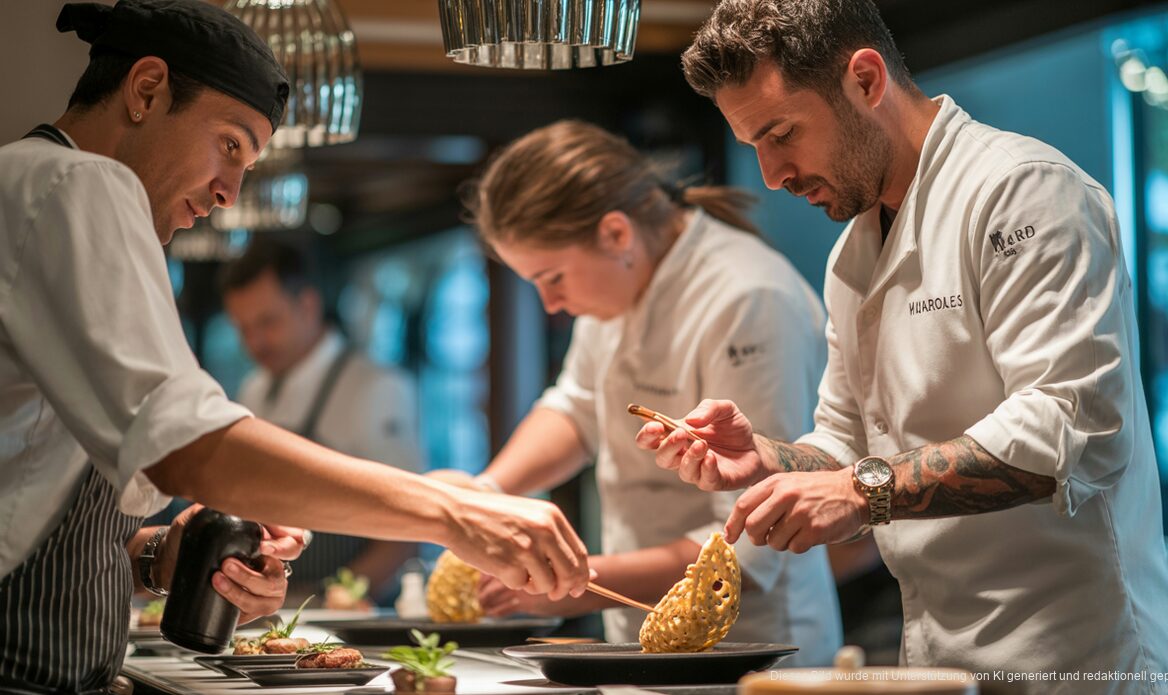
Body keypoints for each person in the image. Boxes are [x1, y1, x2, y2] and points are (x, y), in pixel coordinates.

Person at [0, 2, 589, 691]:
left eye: (247, 166)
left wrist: (164, 555)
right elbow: (191, 449)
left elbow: (32, 507)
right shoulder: (72, 182)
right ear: (147, 89)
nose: (229, 193)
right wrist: (453, 512)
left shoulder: (37, 192)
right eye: (229, 145)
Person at [637, 0, 1168, 692]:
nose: (773, 174)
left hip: (1080, 659)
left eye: (781, 134)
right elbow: (849, 443)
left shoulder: (1022, 191)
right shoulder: (852, 255)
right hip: (938, 661)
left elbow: (1069, 425)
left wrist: (860, 491)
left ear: (866, 80)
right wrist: (769, 458)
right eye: (755, 146)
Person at [442, 120, 841, 663]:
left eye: (552, 278)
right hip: (642, 636)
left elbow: (749, 541)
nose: (550, 304)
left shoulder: (749, 298)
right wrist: (482, 493)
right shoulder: (616, 284)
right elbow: (576, 409)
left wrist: (571, 577)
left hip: (756, 649)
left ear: (616, 234)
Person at [221, 239, 424, 605]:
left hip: (347, 612)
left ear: (308, 306)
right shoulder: (254, 388)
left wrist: (337, 599)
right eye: (243, 328)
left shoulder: (376, 387)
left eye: (268, 322)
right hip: (269, 604)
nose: (256, 341)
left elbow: (410, 523)